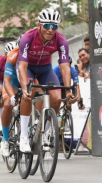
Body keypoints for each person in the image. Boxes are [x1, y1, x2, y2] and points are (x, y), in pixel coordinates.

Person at [17, 8, 77, 153]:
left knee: (57, 98)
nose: (50, 30)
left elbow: (65, 67)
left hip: (45, 69)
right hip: (29, 68)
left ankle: (45, 134)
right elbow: (22, 66)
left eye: (54, 26)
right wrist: (24, 87)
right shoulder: (28, 37)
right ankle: (24, 136)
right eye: (47, 26)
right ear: (39, 25)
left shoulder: (61, 40)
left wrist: (68, 90)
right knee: (28, 93)